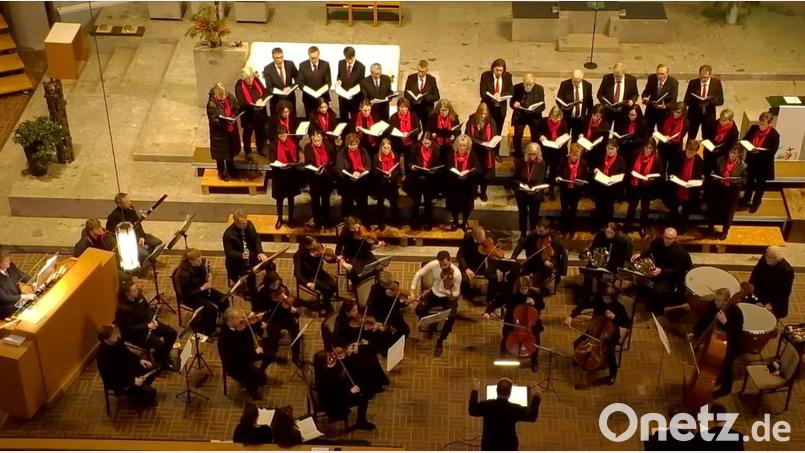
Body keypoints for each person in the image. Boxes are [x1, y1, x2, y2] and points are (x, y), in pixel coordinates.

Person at [564, 281, 630, 385]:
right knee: (577, 343)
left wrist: (615, 317)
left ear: (613, 297)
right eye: (604, 297)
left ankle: (612, 375)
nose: (605, 300)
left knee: (610, 353)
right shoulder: (598, 299)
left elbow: (627, 323)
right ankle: (580, 358)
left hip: (609, 335)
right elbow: (583, 305)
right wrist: (571, 316)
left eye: (607, 298)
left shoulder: (618, 307)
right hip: (594, 330)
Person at [688, 288, 743, 397]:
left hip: (732, 344)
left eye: (719, 301)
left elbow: (736, 333)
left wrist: (725, 322)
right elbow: (704, 319)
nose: (716, 302)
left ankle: (726, 388)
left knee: (727, 364)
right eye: (715, 299)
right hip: (717, 340)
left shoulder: (736, 312)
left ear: (727, 301)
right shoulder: (714, 306)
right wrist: (694, 332)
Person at [483, 275, 545, 371]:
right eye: (522, 289)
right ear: (517, 288)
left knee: (535, 339)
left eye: (526, 288)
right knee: (506, 338)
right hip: (513, 320)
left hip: (530, 323)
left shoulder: (533, 294)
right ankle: (502, 358)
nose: (524, 291)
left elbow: (542, 305)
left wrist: (535, 303)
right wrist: (487, 311)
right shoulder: (510, 293)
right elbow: (497, 302)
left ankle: (534, 359)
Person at [115, 280, 178, 371]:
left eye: (136, 289)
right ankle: (163, 363)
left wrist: (153, 319)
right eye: (134, 291)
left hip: (149, 324)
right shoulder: (122, 310)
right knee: (160, 345)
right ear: (126, 294)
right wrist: (147, 326)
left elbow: (147, 308)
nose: (137, 291)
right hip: (136, 334)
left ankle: (162, 355)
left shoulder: (139, 296)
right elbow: (129, 328)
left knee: (172, 333)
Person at [409, 250, 462, 357]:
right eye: (441, 265)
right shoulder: (434, 264)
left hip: (448, 297)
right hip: (434, 293)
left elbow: (456, 292)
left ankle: (440, 341)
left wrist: (447, 291)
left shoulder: (456, 274)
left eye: (446, 265)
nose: (443, 267)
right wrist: (412, 290)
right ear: (438, 262)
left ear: (450, 261)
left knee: (451, 317)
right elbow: (419, 273)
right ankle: (434, 320)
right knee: (419, 310)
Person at [331, 300, 390, 394]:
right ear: (347, 312)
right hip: (351, 350)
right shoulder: (340, 322)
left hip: (360, 344)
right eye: (354, 311)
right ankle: (369, 387)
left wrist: (373, 329)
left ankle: (378, 382)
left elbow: (361, 332)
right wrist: (350, 345)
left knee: (372, 356)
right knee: (365, 362)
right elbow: (336, 340)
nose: (357, 313)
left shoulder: (359, 318)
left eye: (356, 309)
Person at [630, 227, 692, 316]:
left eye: (670, 239)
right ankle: (646, 302)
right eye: (665, 237)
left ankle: (658, 311)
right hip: (656, 270)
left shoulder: (680, 252)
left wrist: (661, 271)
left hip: (669, 277)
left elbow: (679, 271)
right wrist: (641, 254)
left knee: (658, 291)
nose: (667, 240)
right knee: (638, 278)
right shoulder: (657, 242)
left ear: (675, 239)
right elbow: (650, 251)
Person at [468, 377, 540, 451]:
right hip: (509, 446)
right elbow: (532, 417)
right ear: (510, 393)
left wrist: (475, 390)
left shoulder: (487, 405)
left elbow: (472, 410)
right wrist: (537, 396)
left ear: (496, 390)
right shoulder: (515, 408)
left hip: (489, 445)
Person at [96, 324, 158, 408]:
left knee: (156, 367)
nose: (117, 337)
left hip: (128, 371)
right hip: (120, 382)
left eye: (115, 334)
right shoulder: (103, 357)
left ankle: (141, 387)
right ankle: (140, 397)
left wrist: (140, 360)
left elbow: (128, 353)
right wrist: (132, 381)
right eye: (113, 336)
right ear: (106, 341)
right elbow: (113, 376)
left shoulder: (116, 342)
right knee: (152, 392)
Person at [312, 350, 376, 431]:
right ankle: (361, 422)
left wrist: (346, 356)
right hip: (334, 405)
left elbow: (339, 369)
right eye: (329, 358)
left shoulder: (322, 369)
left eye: (330, 355)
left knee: (356, 381)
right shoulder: (327, 379)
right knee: (363, 399)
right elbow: (337, 396)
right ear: (324, 364)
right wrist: (351, 392)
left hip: (336, 394)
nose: (333, 357)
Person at [218, 307, 272, 400]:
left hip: (244, 356)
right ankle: (253, 394)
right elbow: (243, 356)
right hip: (235, 365)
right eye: (238, 318)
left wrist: (258, 323)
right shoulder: (226, 337)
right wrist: (255, 351)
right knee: (255, 380)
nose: (241, 320)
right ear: (230, 320)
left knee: (264, 374)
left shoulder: (235, 326)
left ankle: (256, 373)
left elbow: (248, 333)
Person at [176, 248, 228, 337]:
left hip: (202, 290)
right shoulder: (184, 274)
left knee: (224, 299)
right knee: (211, 309)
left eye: (200, 259)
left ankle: (225, 319)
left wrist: (208, 277)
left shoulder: (199, 264)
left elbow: (203, 276)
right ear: (191, 261)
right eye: (198, 261)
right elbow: (188, 294)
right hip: (191, 297)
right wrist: (202, 287)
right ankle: (209, 330)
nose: (201, 262)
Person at [254, 271, 303, 366]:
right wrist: (263, 320)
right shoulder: (262, 293)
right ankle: (272, 354)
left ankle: (296, 357)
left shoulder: (283, 289)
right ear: (267, 284)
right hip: (272, 318)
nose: (276, 286)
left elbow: (287, 304)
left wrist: (291, 308)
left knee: (296, 333)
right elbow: (257, 308)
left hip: (285, 315)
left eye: (277, 283)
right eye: (273, 284)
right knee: (274, 335)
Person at [222, 211, 270, 302]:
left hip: (251, 255)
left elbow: (256, 238)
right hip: (237, 262)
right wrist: (241, 255)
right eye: (242, 223)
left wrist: (260, 252)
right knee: (250, 274)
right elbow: (229, 252)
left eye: (245, 222)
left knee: (269, 264)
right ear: (235, 222)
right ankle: (254, 296)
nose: (245, 225)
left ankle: (269, 286)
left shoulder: (249, 225)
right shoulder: (228, 235)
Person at [105, 193, 163, 264]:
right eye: (126, 202)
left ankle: (147, 260)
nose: (130, 203)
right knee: (145, 254)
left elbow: (138, 224)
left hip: (137, 235)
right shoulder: (113, 217)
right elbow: (111, 234)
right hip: (128, 241)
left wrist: (141, 236)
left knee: (158, 243)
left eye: (129, 200)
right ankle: (141, 265)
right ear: (119, 204)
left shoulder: (131, 209)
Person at [739, 111, 780, 213]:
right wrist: (748, 146)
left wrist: (759, 151)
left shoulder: (774, 135)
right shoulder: (754, 128)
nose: (760, 126)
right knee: (749, 181)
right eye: (760, 123)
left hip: (763, 165)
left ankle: (756, 203)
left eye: (763, 124)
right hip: (752, 161)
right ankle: (746, 198)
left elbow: (772, 152)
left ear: (769, 124)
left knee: (760, 185)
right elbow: (746, 139)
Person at [511, 218, 567, 292]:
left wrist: (550, 262)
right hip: (533, 261)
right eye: (537, 230)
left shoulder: (554, 239)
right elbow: (521, 244)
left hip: (544, 266)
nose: (538, 233)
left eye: (541, 231)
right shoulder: (534, 234)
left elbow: (555, 256)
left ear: (548, 229)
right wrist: (513, 258)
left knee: (533, 282)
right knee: (519, 277)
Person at [579, 222, 632, 299]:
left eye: (611, 233)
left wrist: (613, 270)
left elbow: (624, 259)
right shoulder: (600, 235)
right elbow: (592, 248)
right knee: (588, 275)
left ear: (616, 233)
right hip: (598, 262)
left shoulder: (622, 241)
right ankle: (586, 297)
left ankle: (600, 299)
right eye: (607, 232)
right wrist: (588, 253)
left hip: (612, 267)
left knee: (603, 280)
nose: (608, 235)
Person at [624, 138, 664, 237]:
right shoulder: (636, 154)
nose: (648, 150)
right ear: (643, 147)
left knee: (645, 208)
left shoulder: (657, 158)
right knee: (632, 206)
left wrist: (653, 178)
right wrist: (632, 173)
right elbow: (629, 167)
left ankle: (642, 227)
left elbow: (661, 174)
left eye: (650, 148)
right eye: (646, 147)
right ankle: (628, 225)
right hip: (635, 185)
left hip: (647, 187)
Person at [706, 146, 747, 240]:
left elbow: (744, 180)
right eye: (731, 152)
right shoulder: (720, 160)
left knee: (729, 212)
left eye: (735, 153)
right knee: (713, 208)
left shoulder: (743, 165)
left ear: (739, 154)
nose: (732, 155)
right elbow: (714, 171)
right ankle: (710, 228)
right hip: (719, 188)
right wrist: (715, 176)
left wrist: (734, 180)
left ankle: (725, 231)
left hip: (732, 191)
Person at [294, 236, 340, 316]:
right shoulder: (299, 255)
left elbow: (328, 260)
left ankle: (324, 303)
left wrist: (334, 259)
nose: (315, 245)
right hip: (308, 277)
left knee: (334, 286)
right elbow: (296, 273)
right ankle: (326, 305)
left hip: (319, 273)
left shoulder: (319, 248)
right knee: (327, 289)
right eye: (312, 244)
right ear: (306, 245)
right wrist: (307, 283)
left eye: (315, 242)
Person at [404, 135, 443, 230]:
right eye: (424, 143)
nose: (426, 145)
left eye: (428, 143)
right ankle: (415, 222)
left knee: (428, 202)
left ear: (431, 142)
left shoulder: (436, 150)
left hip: (429, 179)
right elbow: (409, 162)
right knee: (416, 201)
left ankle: (428, 222)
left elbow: (439, 166)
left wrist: (434, 170)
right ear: (422, 141)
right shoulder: (415, 148)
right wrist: (411, 166)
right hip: (417, 178)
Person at [665, 140, 704, 233]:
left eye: (693, 152)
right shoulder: (677, 156)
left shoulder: (699, 160)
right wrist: (673, 177)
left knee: (686, 210)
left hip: (690, 189)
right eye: (689, 151)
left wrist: (693, 183)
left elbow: (698, 176)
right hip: (676, 186)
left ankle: (682, 227)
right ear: (685, 148)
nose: (690, 154)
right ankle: (671, 226)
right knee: (673, 208)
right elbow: (670, 170)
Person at [479, 58, 513, 160]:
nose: (499, 72)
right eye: (497, 70)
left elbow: (511, 90)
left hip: (500, 108)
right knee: (486, 130)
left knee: (498, 131)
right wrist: (493, 96)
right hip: (489, 107)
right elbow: (483, 92)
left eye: (501, 70)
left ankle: (496, 152)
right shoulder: (486, 76)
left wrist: (500, 95)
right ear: (493, 68)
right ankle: (485, 152)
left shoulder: (507, 76)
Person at [268, 125, 302, 228]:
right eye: (281, 136)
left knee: (291, 198)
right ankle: (280, 218)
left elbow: (296, 158)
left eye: (284, 135)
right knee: (280, 199)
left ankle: (291, 218)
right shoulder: (273, 145)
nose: (283, 137)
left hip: (290, 174)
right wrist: (278, 165)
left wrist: (293, 163)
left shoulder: (293, 143)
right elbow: (271, 159)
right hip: (279, 175)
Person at [303, 130, 337, 229]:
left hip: (326, 178)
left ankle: (327, 221)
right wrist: (315, 170)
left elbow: (333, 161)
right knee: (315, 202)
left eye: (318, 137)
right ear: (311, 139)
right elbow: (307, 163)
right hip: (314, 179)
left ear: (322, 137)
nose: (317, 140)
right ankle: (317, 222)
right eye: (314, 138)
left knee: (326, 200)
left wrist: (326, 169)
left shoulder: (329, 146)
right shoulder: (308, 148)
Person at [445, 135, 481, 230]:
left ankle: (464, 222)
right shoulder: (451, 153)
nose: (462, 147)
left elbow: (478, 169)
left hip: (468, 184)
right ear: (457, 145)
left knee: (467, 204)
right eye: (460, 145)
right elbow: (448, 168)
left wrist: (468, 173)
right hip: (454, 183)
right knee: (454, 203)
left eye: (464, 145)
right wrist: (456, 174)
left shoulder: (472, 154)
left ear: (468, 146)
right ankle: (455, 221)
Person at [206, 82, 240, 180]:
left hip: (230, 130)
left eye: (224, 95)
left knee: (230, 151)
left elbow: (236, 107)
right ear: (216, 95)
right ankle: (221, 172)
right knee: (220, 155)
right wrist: (225, 121)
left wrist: (233, 116)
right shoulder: (211, 104)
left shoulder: (230, 97)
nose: (223, 98)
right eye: (220, 96)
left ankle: (231, 169)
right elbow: (213, 120)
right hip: (219, 134)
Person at [458, 225, 500, 303]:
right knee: (464, 276)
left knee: (493, 277)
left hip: (485, 264)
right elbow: (459, 255)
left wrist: (494, 255)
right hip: (471, 262)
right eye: (480, 239)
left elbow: (497, 249)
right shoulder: (468, 237)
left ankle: (491, 297)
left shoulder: (490, 236)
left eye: (483, 238)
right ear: (475, 236)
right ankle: (468, 295)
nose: (483, 241)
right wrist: (466, 269)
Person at [513, 142, 548, 237]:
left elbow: (540, 180)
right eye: (530, 154)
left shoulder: (542, 164)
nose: (532, 156)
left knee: (534, 216)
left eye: (534, 154)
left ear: (538, 154)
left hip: (535, 195)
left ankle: (533, 235)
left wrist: (535, 188)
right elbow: (515, 178)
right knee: (523, 215)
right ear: (527, 153)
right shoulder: (521, 162)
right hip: (522, 193)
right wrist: (523, 185)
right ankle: (523, 234)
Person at [749, 245, 794, 319]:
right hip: (761, 293)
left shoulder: (787, 271)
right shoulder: (764, 258)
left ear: (778, 258)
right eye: (767, 256)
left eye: (771, 258)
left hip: (775, 299)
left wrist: (772, 304)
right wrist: (751, 285)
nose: (768, 259)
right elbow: (756, 272)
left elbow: (785, 292)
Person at [335, 133, 372, 223]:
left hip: (361, 181)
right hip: (347, 182)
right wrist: (351, 174)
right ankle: (347, 224)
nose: (353, 147)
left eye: (354, 144)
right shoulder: (342, 153)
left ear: (357, 143)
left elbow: (368, 165)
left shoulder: (363, 151)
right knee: (347, 205)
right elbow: (340, 169)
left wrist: (359, 173)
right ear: (347, 144)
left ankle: (364, 223)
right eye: (350, 145)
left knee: (363, 204)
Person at [366, 271, 411, 345]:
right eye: (387, 285)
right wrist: (374, 320)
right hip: (381, 314)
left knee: (406, 330)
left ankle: (396, 344)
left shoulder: (395, 285)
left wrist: (405, 302)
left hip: (394, 313)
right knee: (383, 332)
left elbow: (397, 303)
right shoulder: (375, 289)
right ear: (381, 283)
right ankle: (387, 346)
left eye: (391, 283)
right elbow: (369, 305)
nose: (391, 286)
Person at [335, 216, 380, 287]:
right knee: (359, 273)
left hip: (364, 253)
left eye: (357, 226)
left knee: (377, 268)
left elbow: (366, 244)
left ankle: (373, 286)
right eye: (352, 228)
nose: (356, 229)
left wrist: (373, 246)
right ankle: (359, 287)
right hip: (351, 254)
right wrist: (343, 263)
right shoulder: (345, 233)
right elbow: (338, 249)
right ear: (348, 227)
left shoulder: (362, 229)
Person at [465, 102, 498, 201]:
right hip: (475, 150)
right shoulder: (472, 121)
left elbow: (494, 135)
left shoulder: (491, 121)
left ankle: (483, 192)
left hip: (486, 152)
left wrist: (491, 143)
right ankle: (474, 192)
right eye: (481, 114)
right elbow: (468, 135)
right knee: (474, 173)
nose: (483, 116)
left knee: (485, 175)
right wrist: (480, 142)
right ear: (478, 113)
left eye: (485, 114)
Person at [591, 140, 627, 228]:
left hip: (612, 189)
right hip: (600, 187)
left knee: (608, 208)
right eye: (608, 148)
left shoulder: (621, 160)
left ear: (617, 149)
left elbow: (623, 175)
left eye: (612, 148)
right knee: (598, 206)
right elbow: (595, 169)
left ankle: (607, 226)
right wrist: (595, 171)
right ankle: (597, 226)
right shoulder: (601, 157)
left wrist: (614, 179)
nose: (610, 151)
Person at [684, 64, 724, 140]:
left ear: (710, 75)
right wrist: (697, 101)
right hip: (694, 114)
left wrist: (711, 100)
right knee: (691, 136)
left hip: (708, 115)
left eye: (706, 77)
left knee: (707, 137)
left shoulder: (716, 83)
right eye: (702, 76)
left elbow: (721, 101)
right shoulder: (693, 83)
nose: (703, 79)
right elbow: (686, 100)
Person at [556, 144, 589, 235]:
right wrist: (558, 178)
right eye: (573, 155)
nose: (574, 157)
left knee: (573, 209)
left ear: (580, 154)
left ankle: (571, 228)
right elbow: (558, 173)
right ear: (569, 153)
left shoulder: (583, 163)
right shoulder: (563, 161)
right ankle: (563, 228)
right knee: (564, 209)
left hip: (576, 190)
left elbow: (585, 177)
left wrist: (582, 182)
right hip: (565, 189)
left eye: (577, 155)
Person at [510, 73, 546, 158]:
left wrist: (534, 110)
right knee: (518, 135)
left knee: (535, 136)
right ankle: (518, 153)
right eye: (527, 84)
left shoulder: (539, 89)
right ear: (523, 82)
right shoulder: (517, 87)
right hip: (520, 115)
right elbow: (511, 102)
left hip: (534, 116)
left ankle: (535, 153)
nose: (528, 87)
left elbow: (542, 105)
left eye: (531, 85)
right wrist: (514, 104)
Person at [234, 66, 267, 157]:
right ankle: (247, 151)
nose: (250, 80)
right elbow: (241, 101)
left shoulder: (256, 80)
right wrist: (252, 105)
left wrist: (261, 99)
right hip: (248, 114)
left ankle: (260, 148)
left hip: (259, 113)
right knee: (247, 133)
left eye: (251, 77)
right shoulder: (239, 85)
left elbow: (265, 92)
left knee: (260, 131)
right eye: (247, 78)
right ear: (243, 78)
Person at [538, 106, 570, 197]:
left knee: (553, 171)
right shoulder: (544, 121)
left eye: (557, 118)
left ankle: (551, 190)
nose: (555, 120)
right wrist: (541, 136)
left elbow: (566, 135)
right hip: (546, 150)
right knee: (543, 171)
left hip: (558, 151)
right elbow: (538, 131)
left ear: (560, 116)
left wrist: (561, 142)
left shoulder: (564, 123)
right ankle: (541, 191)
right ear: (550, 115)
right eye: (553, 117)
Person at [371, 138, 401, 230]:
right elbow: (375, 172)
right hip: (381, 183)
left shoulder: (395, 155)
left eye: (388, 148)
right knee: (380, 203)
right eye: (384, 148)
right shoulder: (376, 157)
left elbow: (397, 169)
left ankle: (396, 221)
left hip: (392, 183)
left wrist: (391, 175)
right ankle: (380, 222)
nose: (387, 150)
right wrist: (383, 175)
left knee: (394, 202)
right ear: (381, 147)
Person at [701, 108, 739, 180]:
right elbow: (706, 134)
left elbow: (730, 146)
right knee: (706, 170)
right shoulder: (715, 124)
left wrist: (718, 150)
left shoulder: (733, 132)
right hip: (709, 151)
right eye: (721, 120)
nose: (721, 122)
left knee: (715, 173)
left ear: (730, 120)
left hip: (720, 156)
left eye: (724, 121)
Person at [556, 69, 594, 139]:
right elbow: (558, 100)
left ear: (582, 78)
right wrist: (563, 107)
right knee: (564, 138)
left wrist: (588, 116)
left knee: (576, 140)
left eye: (577, 81)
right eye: (573, 80)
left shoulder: (588, 85)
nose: (574, 83)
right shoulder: (564, 84)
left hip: (580, 119)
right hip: (567, 118)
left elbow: (590, 102)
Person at [641, 63, 679, 133]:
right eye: (658, 74)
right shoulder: (652, 78)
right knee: (646, 131)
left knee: (662, 132)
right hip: (651, 110)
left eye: (662, 74)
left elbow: (673, 100)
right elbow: (646, 92)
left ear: (667, 73)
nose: (660, 76)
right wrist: (645, 98)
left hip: (664, 113)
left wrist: (665, 106)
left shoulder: (673, 82)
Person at [403, 59, 440, 130]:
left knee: (426, 130)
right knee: (414, 129)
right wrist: (413, 99)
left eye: (423, 72)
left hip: (427, 110)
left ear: (427, 71)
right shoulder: (411, 78)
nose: (420, 74)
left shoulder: (431, 80)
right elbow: (406, 94)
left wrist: (426, 98)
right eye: (419, 71)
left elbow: (437, 96)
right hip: (414, 109)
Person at [297, 45, 331, 117]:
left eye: (316, 58)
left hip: (323, 97)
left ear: (319, 55)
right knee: (310, 118)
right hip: (308, 98)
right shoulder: (302, 65)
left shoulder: (325, 64)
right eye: (312, 58)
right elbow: (300, 82)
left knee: (324, 119)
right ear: (309, 56)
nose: (314, 60)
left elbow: (328, 82)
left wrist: (320, 91)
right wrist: (309, 91)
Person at [262, 47, 298, 115]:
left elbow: (298, 79)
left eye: (281, 57)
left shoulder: (290, 64)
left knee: (292, 121)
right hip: (277, 100)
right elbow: (269, 87)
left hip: (290, 98)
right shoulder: (268, 69)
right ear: (273, 58)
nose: (279, 60)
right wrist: (280, 92)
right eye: (277, 58)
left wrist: (290, 87)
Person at [0, 251, 34, 319]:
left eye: (9, 259)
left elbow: (20, 274)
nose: (9, 261)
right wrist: (23, 297)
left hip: (18, 300)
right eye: (6, 260)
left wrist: (33, 282)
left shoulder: (10, 265)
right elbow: (5, 298)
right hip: (6, 308)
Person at [336, 46, 365, 123]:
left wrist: (353, 91)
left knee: (354, 119)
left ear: (354, 56)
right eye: (347, 59)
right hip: (343, 98)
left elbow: (361, 83)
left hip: (354, 99)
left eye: (350, 59)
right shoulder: (341, 63)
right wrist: (338, 80)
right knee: (343, 119)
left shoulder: (361, 67)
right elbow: (339, 75)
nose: (348, 61)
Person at [656, 102, 688, 168]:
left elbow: (681, 136)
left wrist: (670, 139)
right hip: (663, 145)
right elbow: (660, 127)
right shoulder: (666, 116)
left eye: (678, 112)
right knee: (661, 166)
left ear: (683, 113)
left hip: (675, 148)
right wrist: (663, 136)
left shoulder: (686, 123)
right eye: (674, 111)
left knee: (672, 168)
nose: (675, 114)